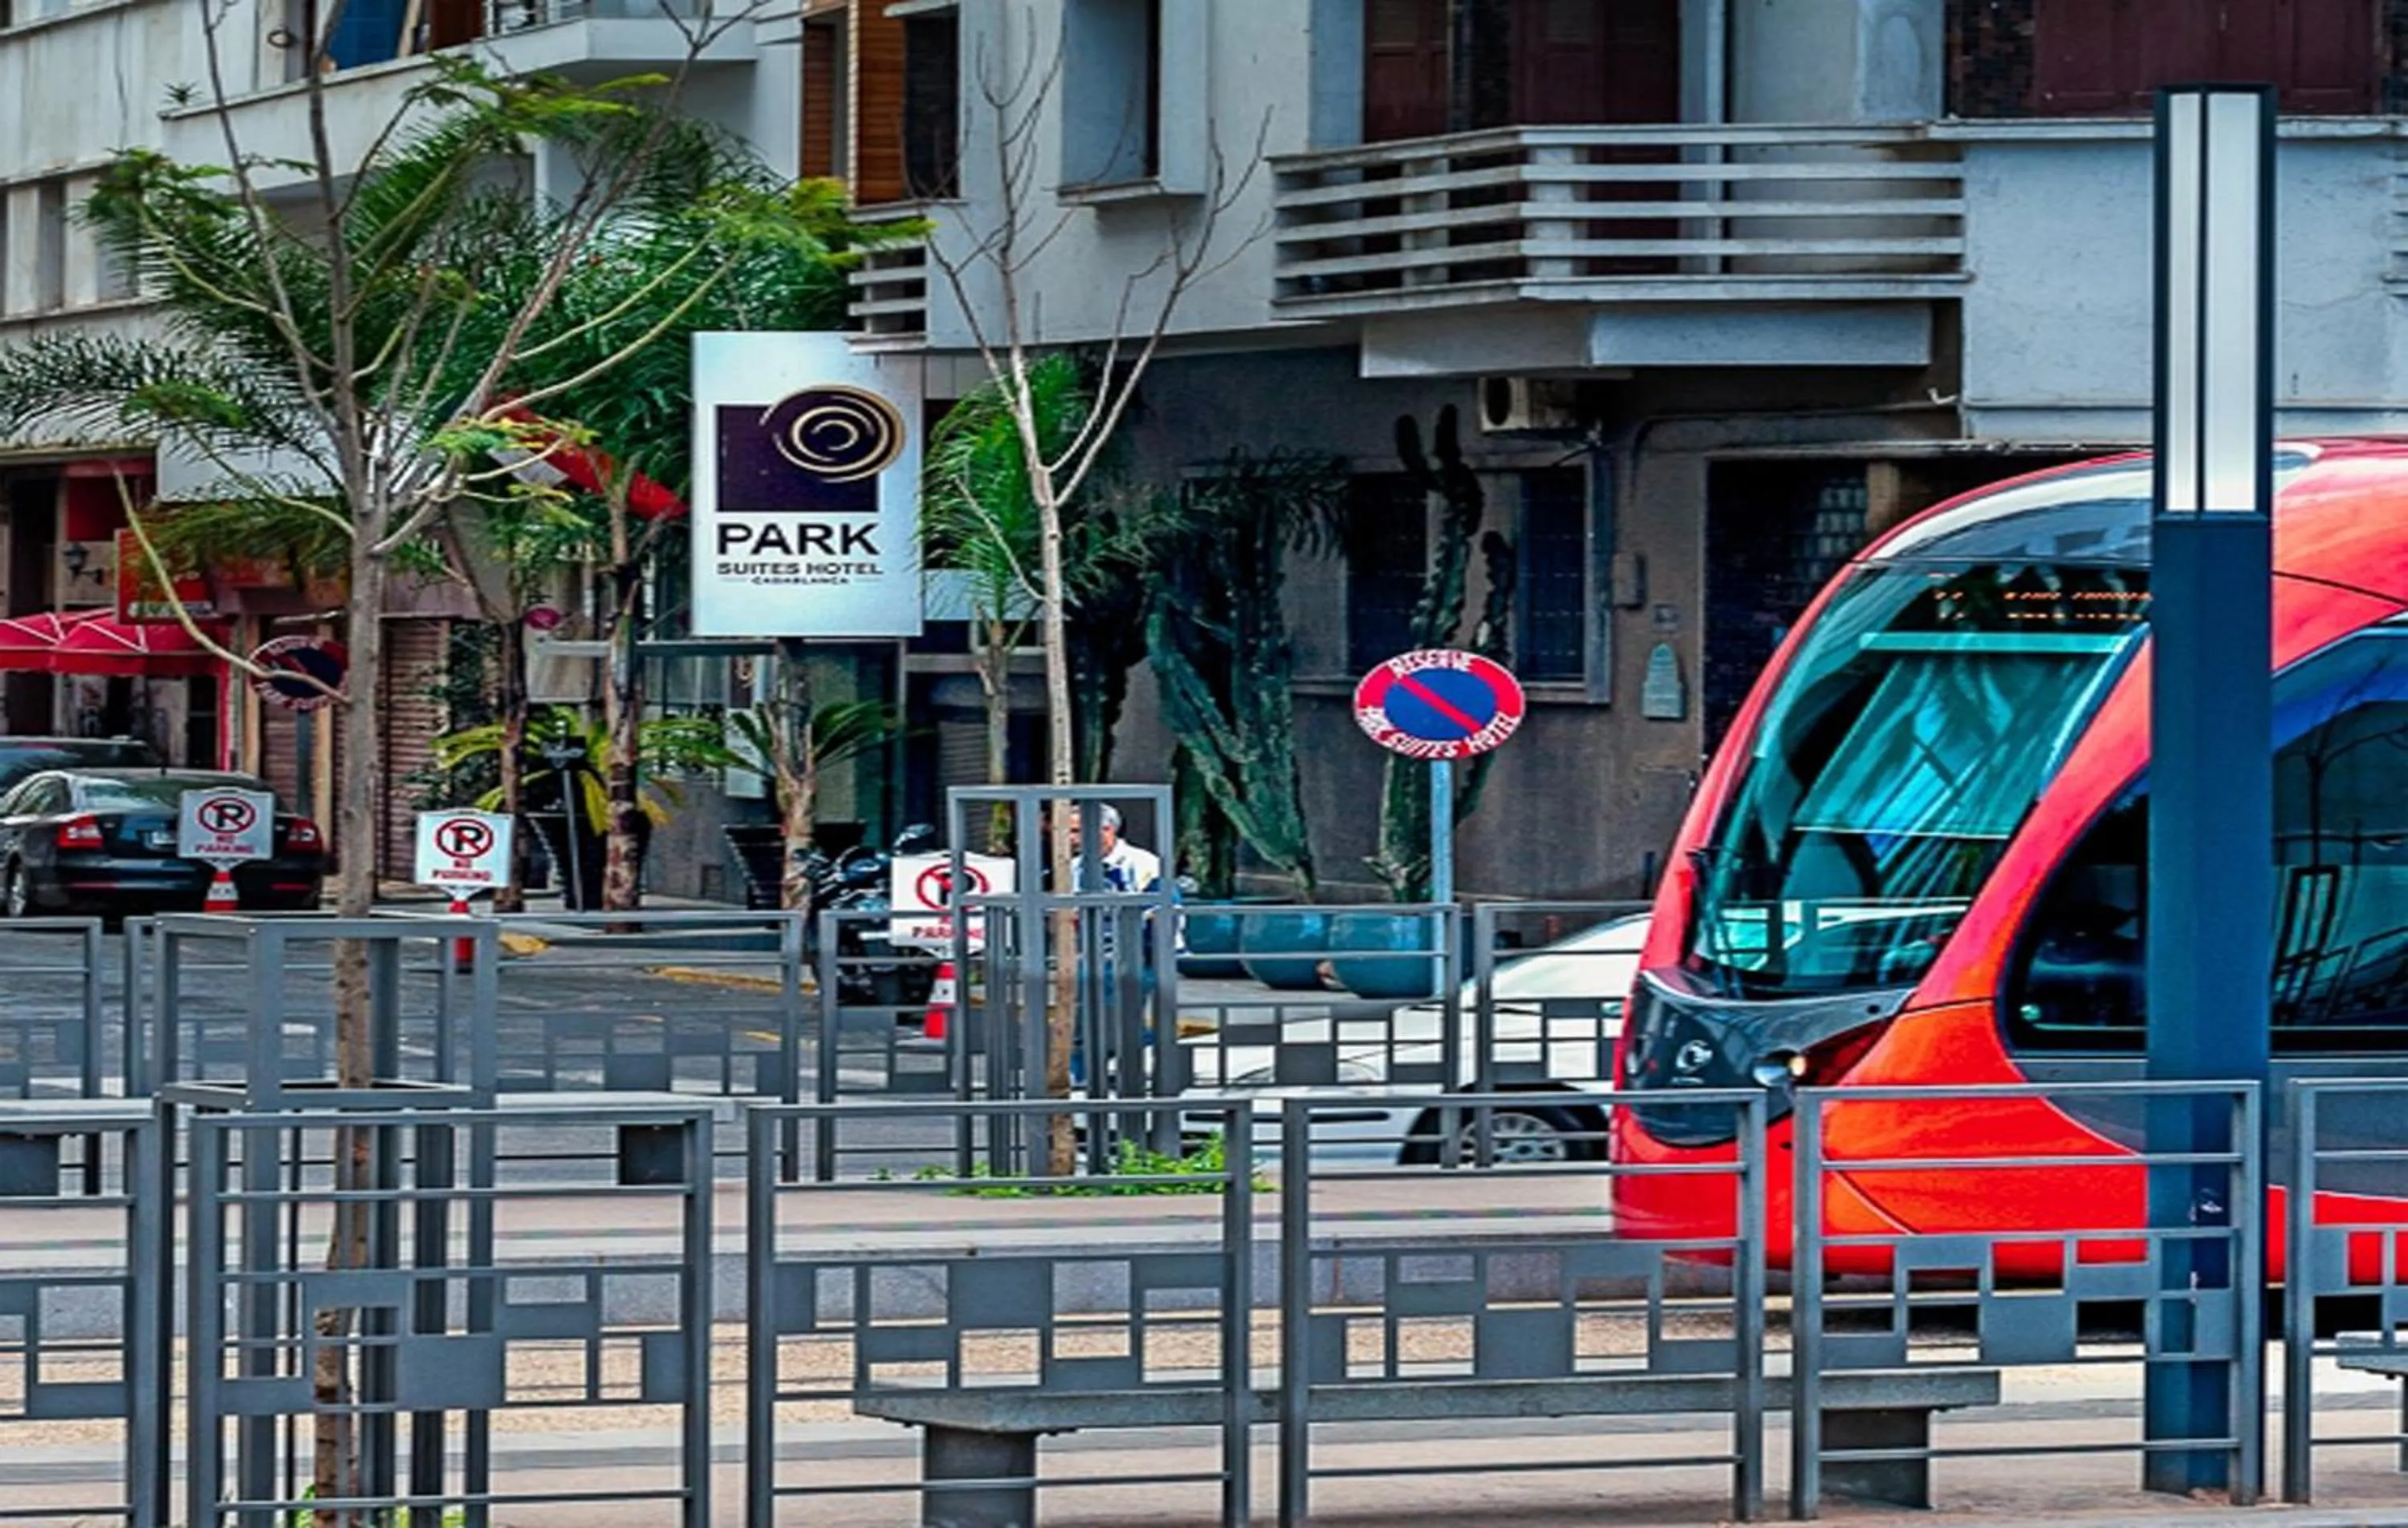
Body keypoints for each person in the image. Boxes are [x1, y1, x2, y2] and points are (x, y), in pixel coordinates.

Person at [1069, 804, 1162, 895]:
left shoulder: (1146, 863)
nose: (1071, 838)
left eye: (1076, 831)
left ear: (1107, 830)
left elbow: (1160, 902)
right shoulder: (1072, 868)